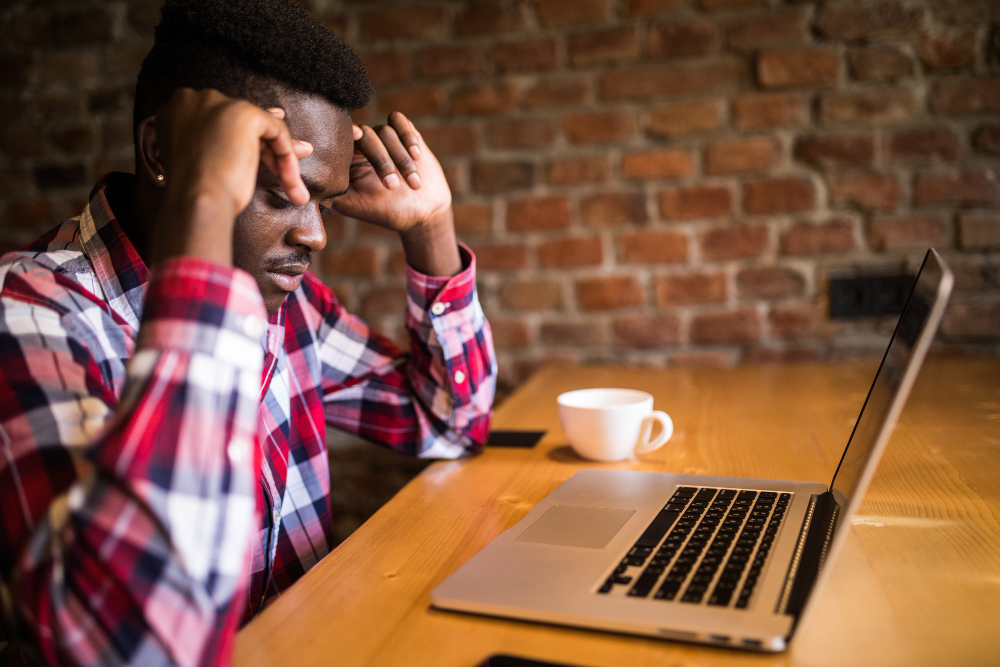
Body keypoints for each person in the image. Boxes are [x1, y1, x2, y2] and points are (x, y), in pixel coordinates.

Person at [0, 0, 496, 664]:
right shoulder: (31, 311)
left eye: (321, 201)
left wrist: (429, 225)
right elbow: (134, 642)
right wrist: (201, 205)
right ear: (160, 152)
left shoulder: (286, 307)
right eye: (275, 191)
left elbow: (451, 422)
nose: (315, 234)